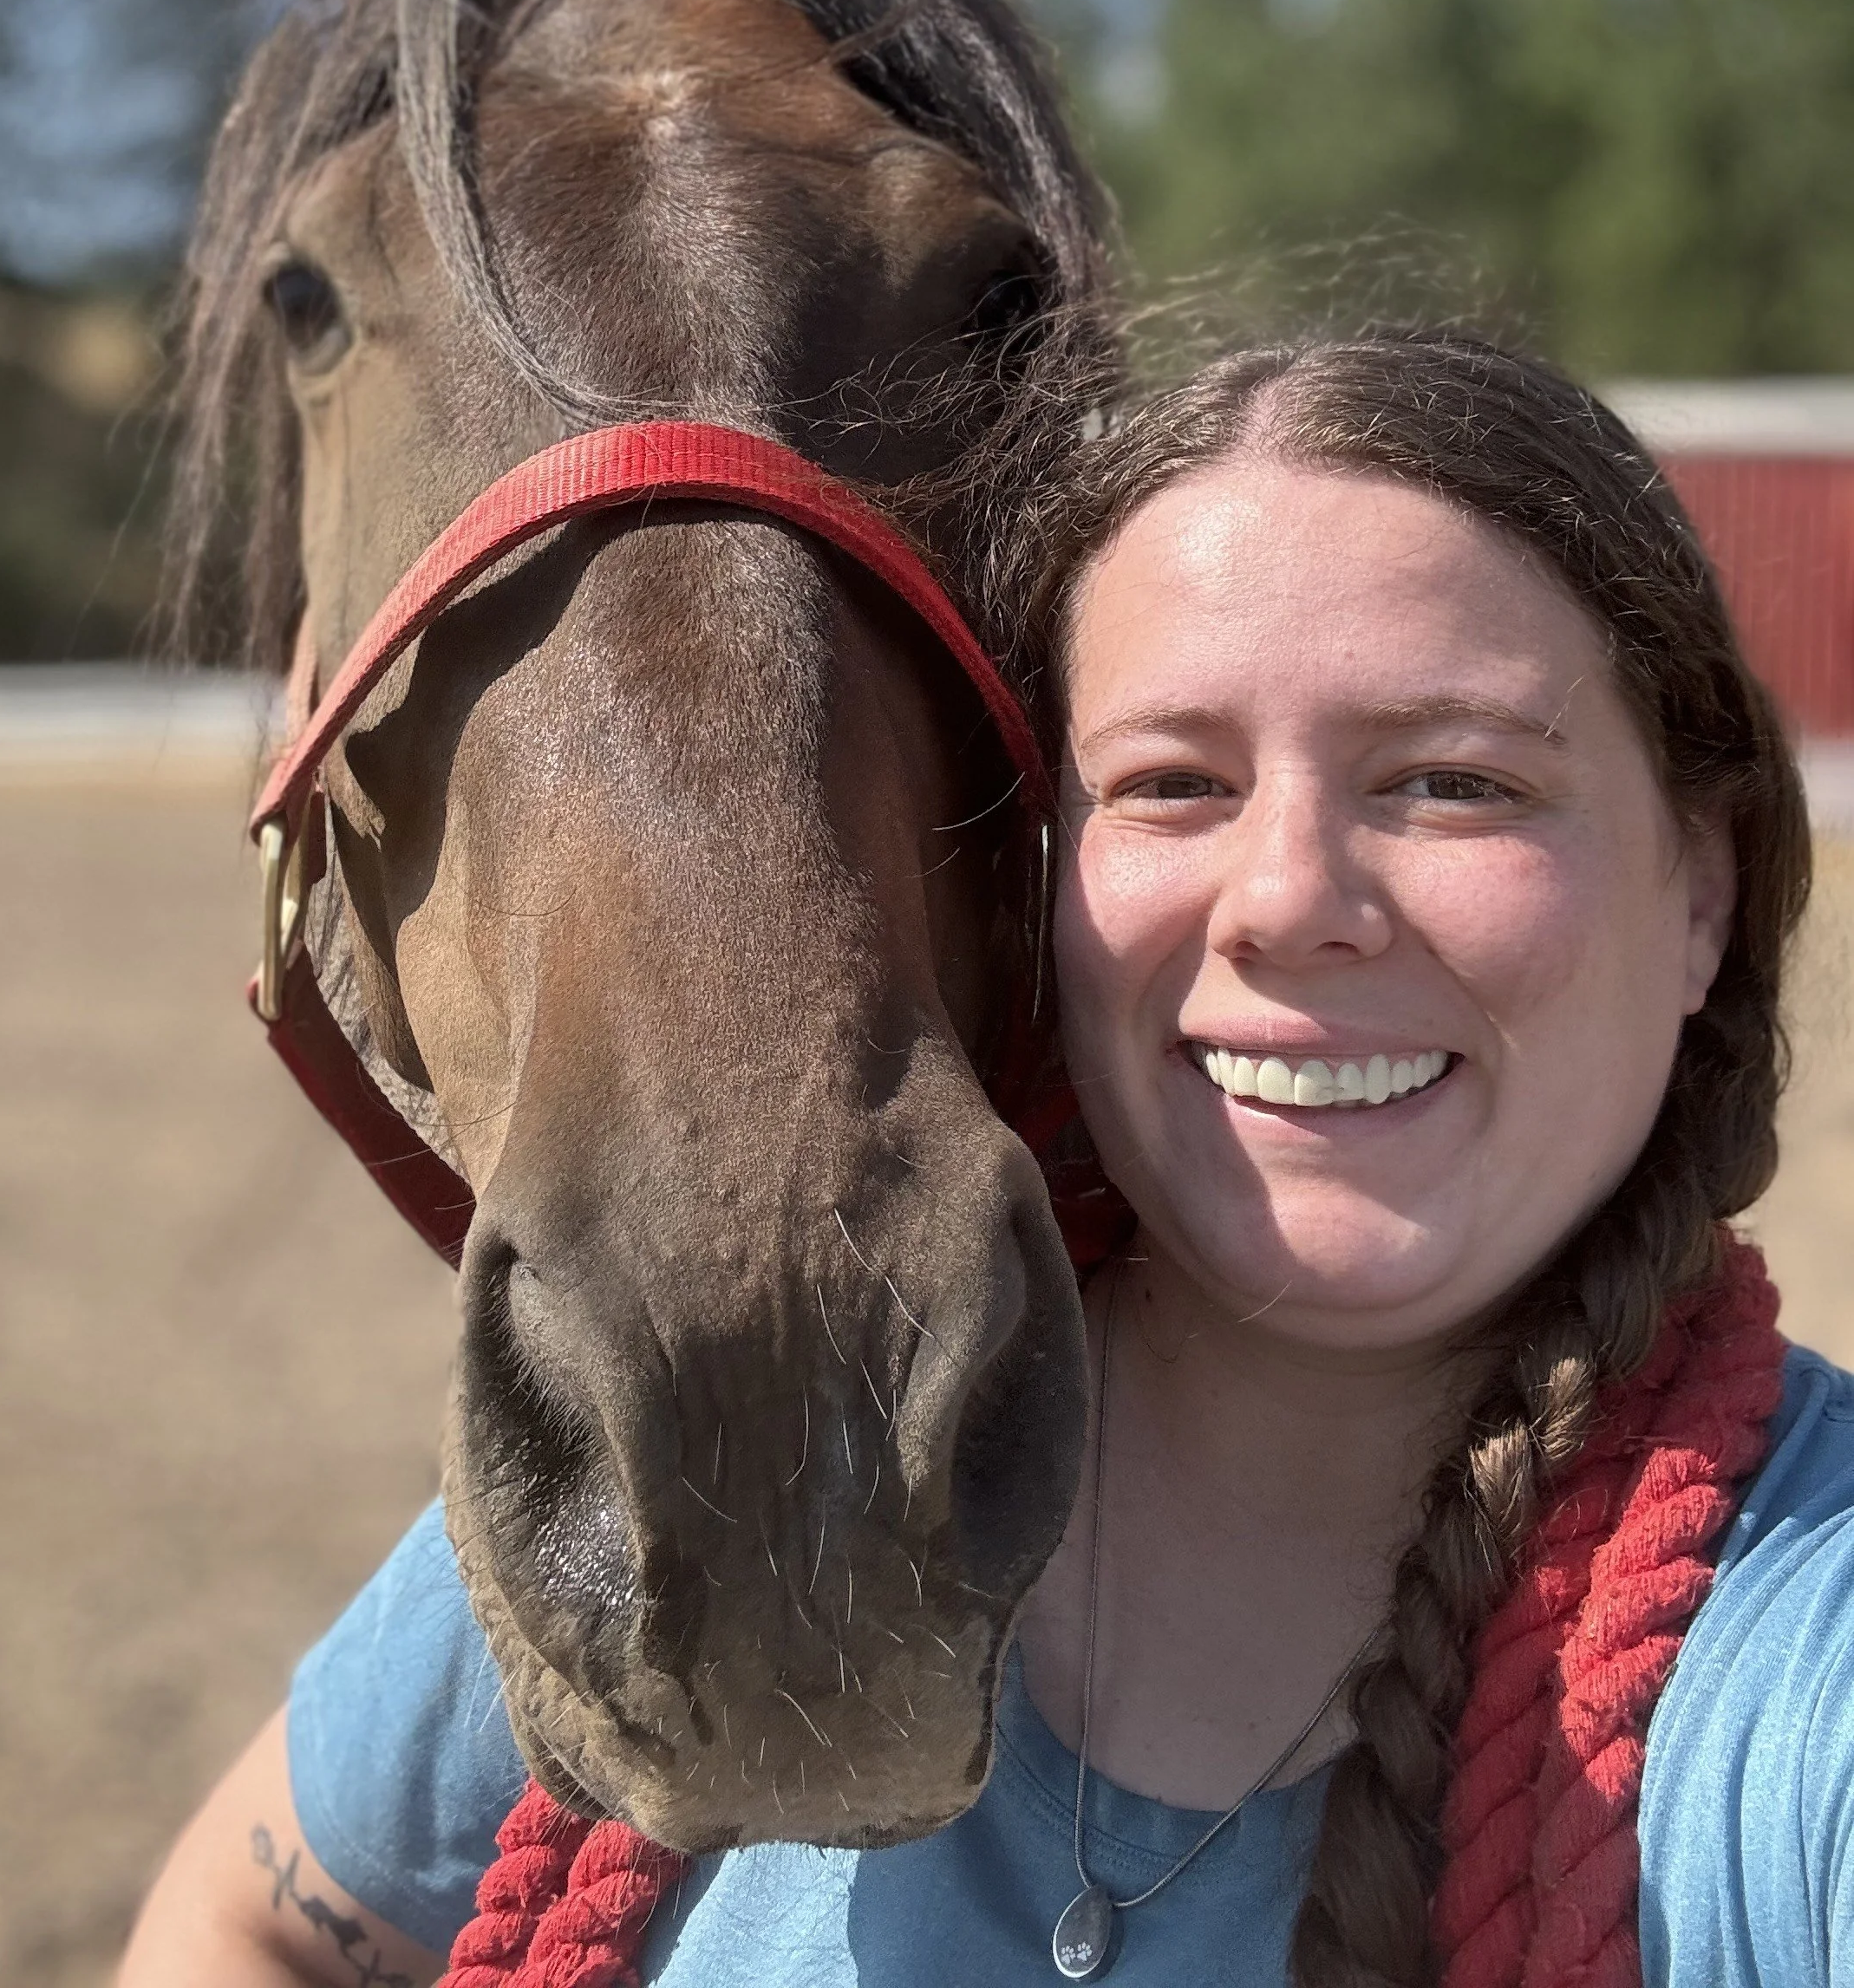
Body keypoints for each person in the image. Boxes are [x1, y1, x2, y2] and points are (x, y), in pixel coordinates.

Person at [121, 329, 1854, 1988]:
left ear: (1702, 889)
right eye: (1173, 782)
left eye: (1454, 782)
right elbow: (253, 1919)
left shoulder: (1798, 1669)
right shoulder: (740, 1407)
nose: (1290, 899)